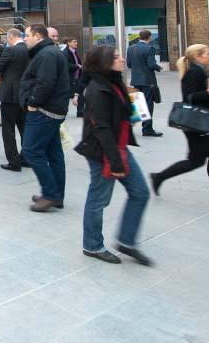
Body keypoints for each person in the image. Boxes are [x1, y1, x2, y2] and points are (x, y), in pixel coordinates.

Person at [76, 45, 152, 266]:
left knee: (140, 192)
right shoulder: (97, 89)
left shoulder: (113, 82)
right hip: (103, 151)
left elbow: (122, 115)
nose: (121, 60)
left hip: (117, 147)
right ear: (104, 62)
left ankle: (127, 240)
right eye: (116, 57)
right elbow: (101, 128)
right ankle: (92, 245)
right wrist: (116, 160)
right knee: (99, 199)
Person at [150, 44, 209, 207]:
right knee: (196, 161)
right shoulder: (194, 72)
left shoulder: (200, 71)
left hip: (203, 123)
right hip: (197, 125)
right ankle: (159, 177)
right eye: (208, 54)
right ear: (198, 57)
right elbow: (189, 97)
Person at [21, 24, 72, 212]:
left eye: (26, 35)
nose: (25, 39)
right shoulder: (50, 52)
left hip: (44, 112)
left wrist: (33, 103)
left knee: (31, 150)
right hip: (53, 110)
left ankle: (50, 194)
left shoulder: (46, 55)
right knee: (54, 154)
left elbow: (45, 83)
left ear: (36, 36)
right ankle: (57, 195)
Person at [0, 29, 30, 171]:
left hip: (9, 94)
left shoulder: (10, 51)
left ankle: (14, 162)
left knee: (8, 129)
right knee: (24, 128)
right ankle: (26, 158)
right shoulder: (29, 50)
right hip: (24, 94)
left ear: (11, 38)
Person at [127, 30, 163, 137]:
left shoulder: (131, 48)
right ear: (150, 38)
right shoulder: (149, 48)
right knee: (148, 104)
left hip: (135, 80)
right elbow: (151, 64)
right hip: (147, 81)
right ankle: (147, 129)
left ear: (139, 37)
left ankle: (131, 126)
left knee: (138, 104)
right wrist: (159, 67)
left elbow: (129, 64)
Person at [63, 38, 85, 118]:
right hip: (70, 77)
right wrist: (77, 66)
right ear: (69, 43)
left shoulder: (74, 52)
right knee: (66, 95)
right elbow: (66, 65)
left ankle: (80, 112)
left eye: (76, 41)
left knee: (80, 93)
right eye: (74, 41)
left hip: (77, 76)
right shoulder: (65, 53)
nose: (76, 43)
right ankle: (63, 111)